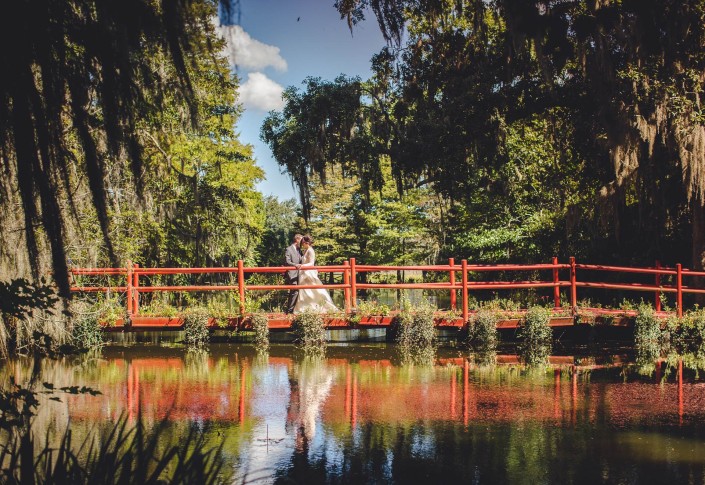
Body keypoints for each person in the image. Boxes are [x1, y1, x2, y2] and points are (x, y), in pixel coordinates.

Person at [293, 235, 338, 313]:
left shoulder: (310, 250)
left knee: (313, 291)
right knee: (305, 291)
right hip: (304, 272)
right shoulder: (306, 250)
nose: (302, 245)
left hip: (308, 272)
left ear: (306, 242)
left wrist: (302, 266)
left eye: (303, 243)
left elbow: (311, 263)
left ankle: (320, 307)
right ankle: (305, 308)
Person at [284, 234, 303, 314]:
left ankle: (294, 310)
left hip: (300, 274)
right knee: (294, 291)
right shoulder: (288, 249)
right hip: (292, 273)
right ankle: (289, 311)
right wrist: (295, 265)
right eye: (301, 241)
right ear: (297, 240)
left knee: (298, 291)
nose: (302, 243)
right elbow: (287, 261)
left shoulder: (299, 250)